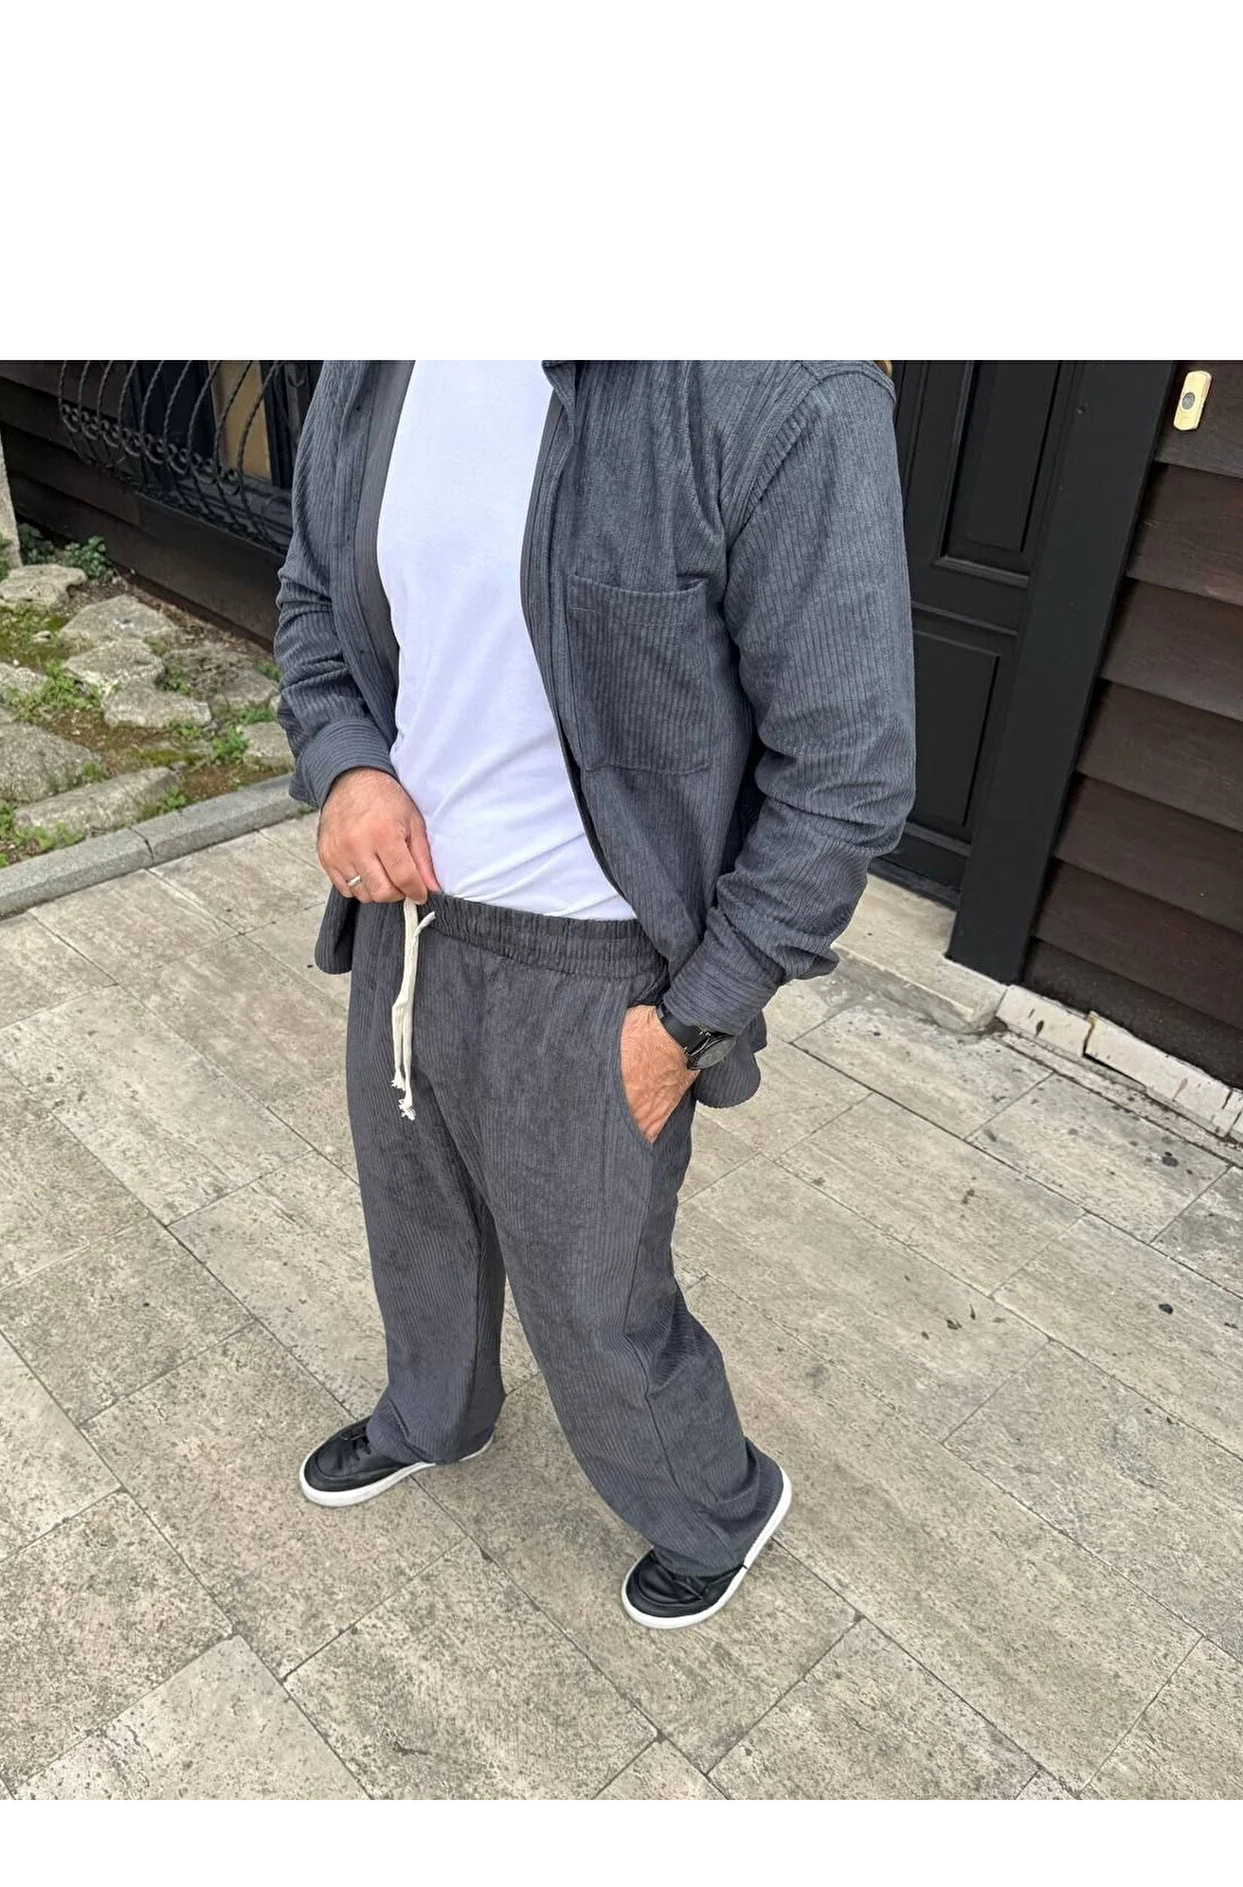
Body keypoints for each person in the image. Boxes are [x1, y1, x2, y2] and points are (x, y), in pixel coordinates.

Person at [275, 361, 914, 1629]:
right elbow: (310, 603)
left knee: (595, 1296)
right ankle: (435, 1415)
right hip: (408, 920)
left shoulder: (775, 387)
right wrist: (346, 765)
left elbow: (848, 771)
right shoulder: (376, 359)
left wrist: (690, 1023)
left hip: (603, 966)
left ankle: (714, 1507)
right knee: (416, 1221)